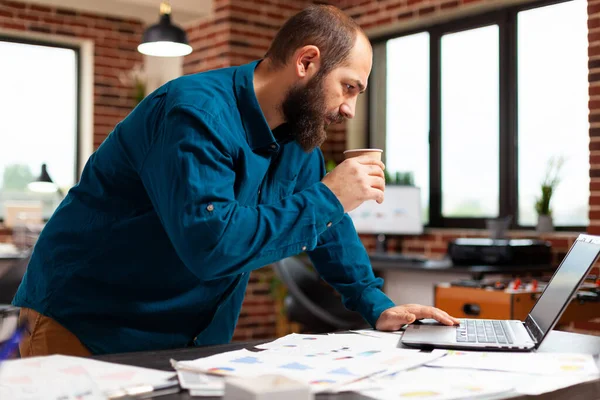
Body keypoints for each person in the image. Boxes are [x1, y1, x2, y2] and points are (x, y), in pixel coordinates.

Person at [13, 4, 459, 357]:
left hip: (184, 341)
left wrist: (375, 303)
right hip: (82, 326)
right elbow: (212, 247)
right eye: (349, 87)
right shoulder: (193, 114)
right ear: (307, 61)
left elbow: (329, 227)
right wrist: (330, 196)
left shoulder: (299, 141)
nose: (349, 110)